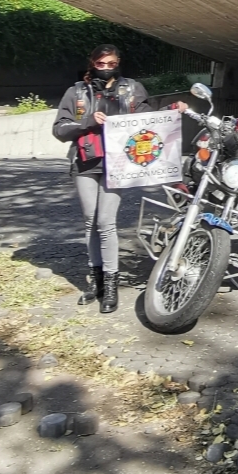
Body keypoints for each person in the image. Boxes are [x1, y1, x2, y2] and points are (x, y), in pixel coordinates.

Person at [53, 44, 185, 314]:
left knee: (105, 222)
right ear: (92, 63)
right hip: (86, 162)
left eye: (110, 64)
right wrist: (88, 121)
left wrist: (173, 108)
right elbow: (60, 128)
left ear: (118, 63)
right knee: (90, 222)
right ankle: (97, 282)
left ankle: (111, 285)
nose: (105, 69)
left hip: (119, 165)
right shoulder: (76, 91)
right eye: (100, 64)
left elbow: (150, 119)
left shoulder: (132, 89)